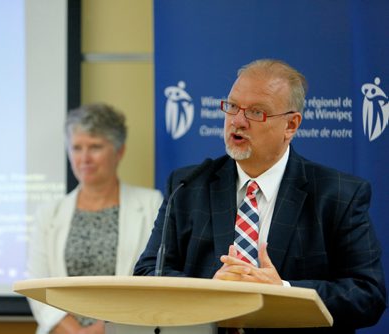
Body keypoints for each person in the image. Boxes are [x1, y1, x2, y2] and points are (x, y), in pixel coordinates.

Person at [134, 59, 386, 333]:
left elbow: (368, 294)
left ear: (291, 125)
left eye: (256, 112)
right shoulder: (188, 186)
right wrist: (210, 289)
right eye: (232, 106)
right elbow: (149, 273)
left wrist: (284, 291)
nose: (238, 121)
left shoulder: (337, 194)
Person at [28, 103, 163, 334]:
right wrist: (74, 331)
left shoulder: (151, 204)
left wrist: (103, 329)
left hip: (126, 329)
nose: (85, 158)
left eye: (95, 147)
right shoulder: (48, 213)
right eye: (77, 148)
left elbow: (154, 281)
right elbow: (37, 286)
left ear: (119, 151)